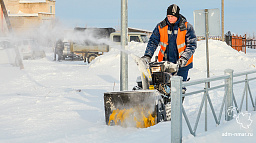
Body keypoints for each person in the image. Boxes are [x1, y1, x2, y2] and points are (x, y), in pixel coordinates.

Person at [142, 4, 197, 83]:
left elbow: (192, 45)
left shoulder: (186, 27)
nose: (170, 18)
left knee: (179, 89)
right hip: (164, 64)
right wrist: (148, 55)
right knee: (163, 87)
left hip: (182, 64)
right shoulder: (161, 26)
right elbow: (153, 42)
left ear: (177, 16)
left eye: (172, 16)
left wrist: (184, 58)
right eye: (168, 16)